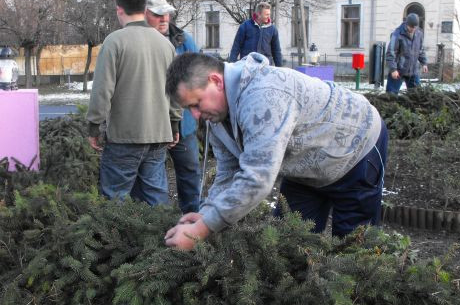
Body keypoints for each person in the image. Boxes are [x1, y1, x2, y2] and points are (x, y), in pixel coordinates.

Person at [163, 52, 387, 251]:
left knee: (354, 249)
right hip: (304, 166)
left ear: (216, 81)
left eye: (196, 103)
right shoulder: (217, 116)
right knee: (289, 244)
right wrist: (207, 212)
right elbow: (229, 170)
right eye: (188, 108)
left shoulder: (264, 96)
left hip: (355, 150)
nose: (195, 116)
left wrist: (202, 230)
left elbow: (257, 178)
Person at [87, 0, 180, 206]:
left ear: (119, 10)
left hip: (124, 136)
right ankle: (159, 239)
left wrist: (94, 126)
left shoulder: (114, 42)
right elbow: (177, 89)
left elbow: (102, 90)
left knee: (114, 199)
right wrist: (175, 123)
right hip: (158, 135)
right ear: (145, 8)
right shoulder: (166, 45)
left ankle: (117, 241)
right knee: (156, 198)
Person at [145, 0, 202, 213]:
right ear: (143, 14)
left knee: (189, 173)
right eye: (158, 14)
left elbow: (199, 74)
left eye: (167, 13)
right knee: (153, 181)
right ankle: (157, 224)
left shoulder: (183, 40)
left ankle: (192, 220)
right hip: (151, 126)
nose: (165, 19)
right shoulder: (136, 43)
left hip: (184, 123)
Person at [229, 2, 283, 67]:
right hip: (247, 66)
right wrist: (231, 65)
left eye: (269, 14)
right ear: (259, 14)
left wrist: (280, 68)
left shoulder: (272, 29)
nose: (269, 17)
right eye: (266, 14)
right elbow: (236, 46)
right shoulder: (245, 26)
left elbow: (276, 51)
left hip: (265, 68)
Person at [385, 13, 428, 94]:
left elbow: (421, 50)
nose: (413, 29)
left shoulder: (419, 34)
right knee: (391, 96)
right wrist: (393, 69)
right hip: (398, 70)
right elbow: (391, 53)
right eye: (411, 27)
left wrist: (424, 63)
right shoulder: (397, 34)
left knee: (417, 96)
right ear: (406, 24)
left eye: (415, 27)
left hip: (413, 70)